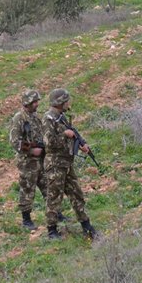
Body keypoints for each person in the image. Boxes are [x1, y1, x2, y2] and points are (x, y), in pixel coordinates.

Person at [42, 89, 97, 240]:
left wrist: (81, 143)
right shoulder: (49, 118)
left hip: (66, 163)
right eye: (66, 101)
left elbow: (73, 133)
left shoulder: (61, 117)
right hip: (55, 164)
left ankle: (86, 226)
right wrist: (64, 135)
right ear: (60, 103)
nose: (68, 103)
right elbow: (48, 142)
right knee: (54, 197)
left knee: (76, 194)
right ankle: (52, 231)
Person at [9, 89, 48, 230]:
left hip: (41, 160)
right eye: (35, 102)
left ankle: (56, 214)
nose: (37, 104)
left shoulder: (35, 117)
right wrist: (31, 150)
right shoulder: (19, 118)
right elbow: (14, 142)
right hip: (27, 162)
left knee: (48, 187)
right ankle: (26, 220)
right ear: (28, 103)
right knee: (27, 189)